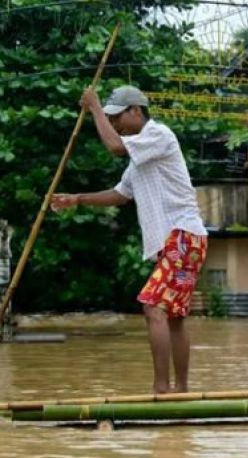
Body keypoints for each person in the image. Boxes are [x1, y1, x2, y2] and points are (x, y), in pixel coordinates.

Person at [51, 85, 208, 394]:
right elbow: (120, 195)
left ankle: (162, 390)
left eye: (117, 117)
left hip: (184, 236)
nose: (115, 125)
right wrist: (77, 199)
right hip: (181, 240)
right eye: (110, 118)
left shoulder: (159, 135)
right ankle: (180, 392)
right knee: (173, 317)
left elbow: (115, 147)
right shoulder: (141, 158)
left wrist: (95, 107)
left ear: (136, 110)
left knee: (153, 308)